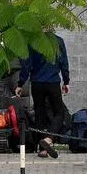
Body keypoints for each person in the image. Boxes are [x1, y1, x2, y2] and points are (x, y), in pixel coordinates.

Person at [17, 29, 69, 159]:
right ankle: (48, 139)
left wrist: (20, 83)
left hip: (37, 82)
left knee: (39, 113)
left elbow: (26, 64)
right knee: (59, 113)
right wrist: (66, 81)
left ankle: (42, 150)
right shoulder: (58, 41)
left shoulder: (33, 42)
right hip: (53, 82)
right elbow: (64, 62)